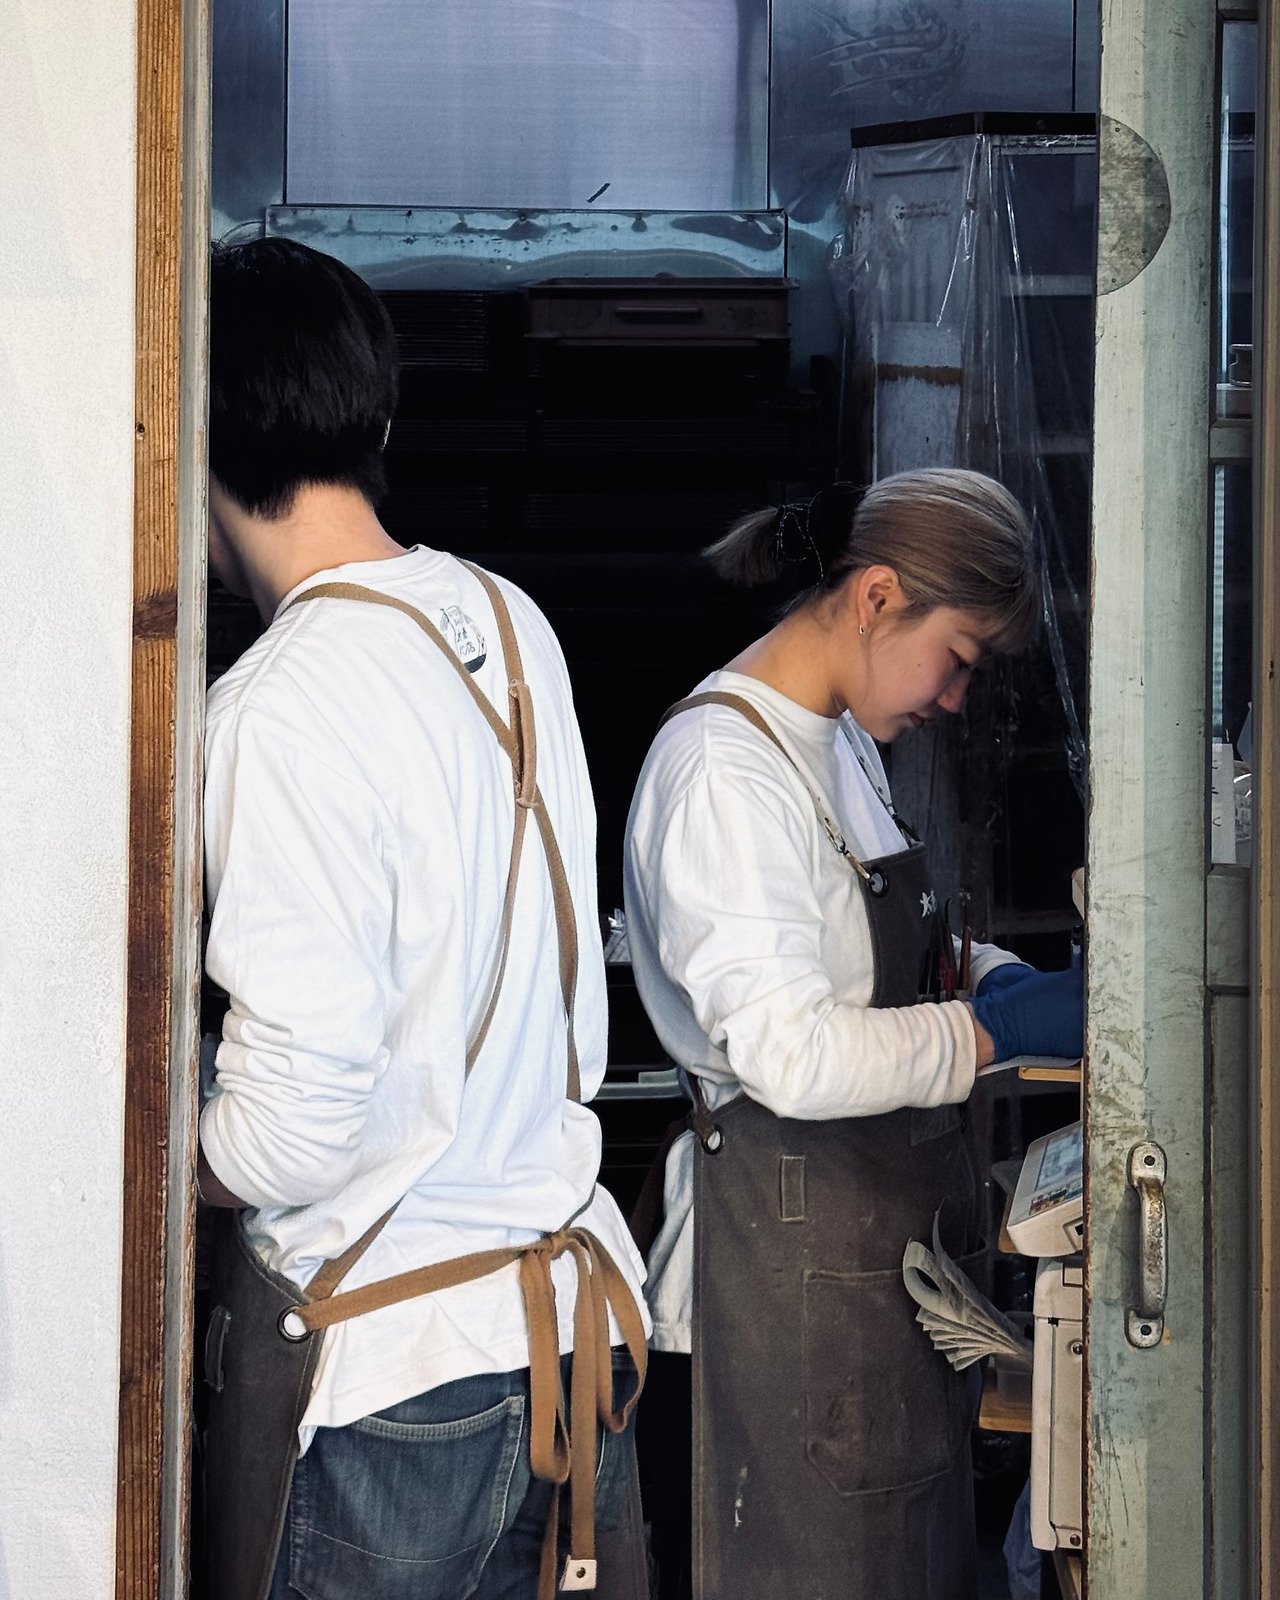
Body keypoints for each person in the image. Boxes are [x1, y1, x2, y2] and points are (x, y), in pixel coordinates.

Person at [196, 237, 649, 1600]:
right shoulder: (509, 619)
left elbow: (292, 1130)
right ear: (377, 421)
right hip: (557, 1326)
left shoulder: (275, 701)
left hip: (394, 1376)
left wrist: (151, 1162)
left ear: (190, 442)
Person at [623, 470, 1083, 1600]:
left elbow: (875, 948)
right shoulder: (724, 772)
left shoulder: (841, 743)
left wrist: (999, 975)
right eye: (958, 657)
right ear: (877, 597)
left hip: (868, 1294)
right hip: (768, 1308)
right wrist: (989, 1032)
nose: (956, 699)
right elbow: (790, 1049)